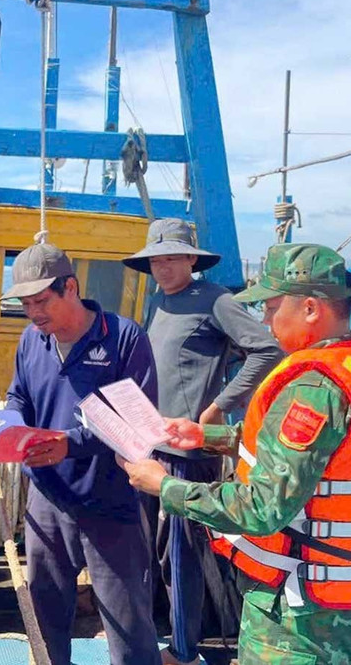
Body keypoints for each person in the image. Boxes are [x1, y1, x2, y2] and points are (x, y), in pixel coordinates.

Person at [120, 243, 351, 664]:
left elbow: (263, 509)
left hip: (301, 617)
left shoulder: (312, 389)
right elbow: (323, 456)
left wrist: (165, 487)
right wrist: (209, 436)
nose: (265, 321)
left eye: (271, 308)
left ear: (310, 308)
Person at [124, 219, 283, 665]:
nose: (162, 267)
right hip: (149, 444)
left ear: (192, 259)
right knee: (148, 551)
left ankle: (183, 650)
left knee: (181, 556)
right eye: (156, 260)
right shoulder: (156, 301)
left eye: (172, 258)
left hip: (188, 453)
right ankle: (152, 633)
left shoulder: (216, 300)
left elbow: (267, 349)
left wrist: (218, 406)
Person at [3, 242, 161, 665]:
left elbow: (140, 422)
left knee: (129, 627)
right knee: (46, 621)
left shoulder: (124, 338)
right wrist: (11, 424)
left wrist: (70, 444)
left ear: (70, 288)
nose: (33, 313)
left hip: (109, 501)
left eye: (41, 301)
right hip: (46, 502)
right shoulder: (31, 340)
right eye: (25, 304)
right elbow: (18, 395)